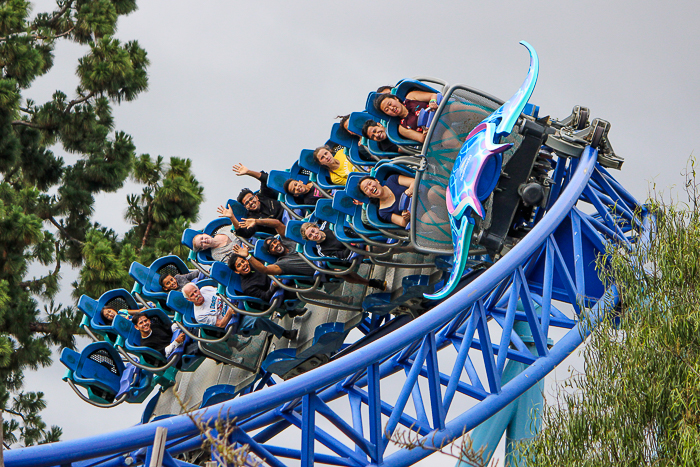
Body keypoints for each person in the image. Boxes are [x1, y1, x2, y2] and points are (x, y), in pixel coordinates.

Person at [182, 283, 298, 340]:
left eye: (195, 291)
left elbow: (223, 293)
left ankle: (288, 309)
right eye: (192, 295)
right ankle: (284, 333)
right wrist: (229, 312)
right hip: (233, 320)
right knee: (258, 320)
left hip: (236, 303)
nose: (196, 295)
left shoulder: (205, 289)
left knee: (257, 294)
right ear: (188, 299)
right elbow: (220, 324)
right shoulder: (199, 315)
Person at [299, 221, 386, 290]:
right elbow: (343, 255)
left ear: (316, 227)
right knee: (340, 272)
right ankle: (370, 283)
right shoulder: (322, 250)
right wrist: (351, 244)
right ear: (309, 239)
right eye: (310, 236)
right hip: (354, 251)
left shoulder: (328, 224)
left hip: (357, 235)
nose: (314, 235)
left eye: (313, 231)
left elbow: (346, 228)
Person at [232, 162, 285, 237]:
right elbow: (245, 233)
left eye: (251, 198)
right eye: (247, 203)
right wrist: (231, 217)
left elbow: (266, 179)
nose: (250, 202)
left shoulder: (263, 195)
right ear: (245, 207)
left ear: (256, 197)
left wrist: (248, 172)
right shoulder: (251, 218)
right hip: (281, 232)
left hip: (289, 214)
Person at [374, 90, 439, 143]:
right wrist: (426, 133)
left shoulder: (411, 97)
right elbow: (422, 139)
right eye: (387, 110)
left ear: (396, 99)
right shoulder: (402, 128)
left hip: (441, 113)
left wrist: (433, 102)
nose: (391, 108)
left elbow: (433, 96)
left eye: (390, 104)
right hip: (436, 131)